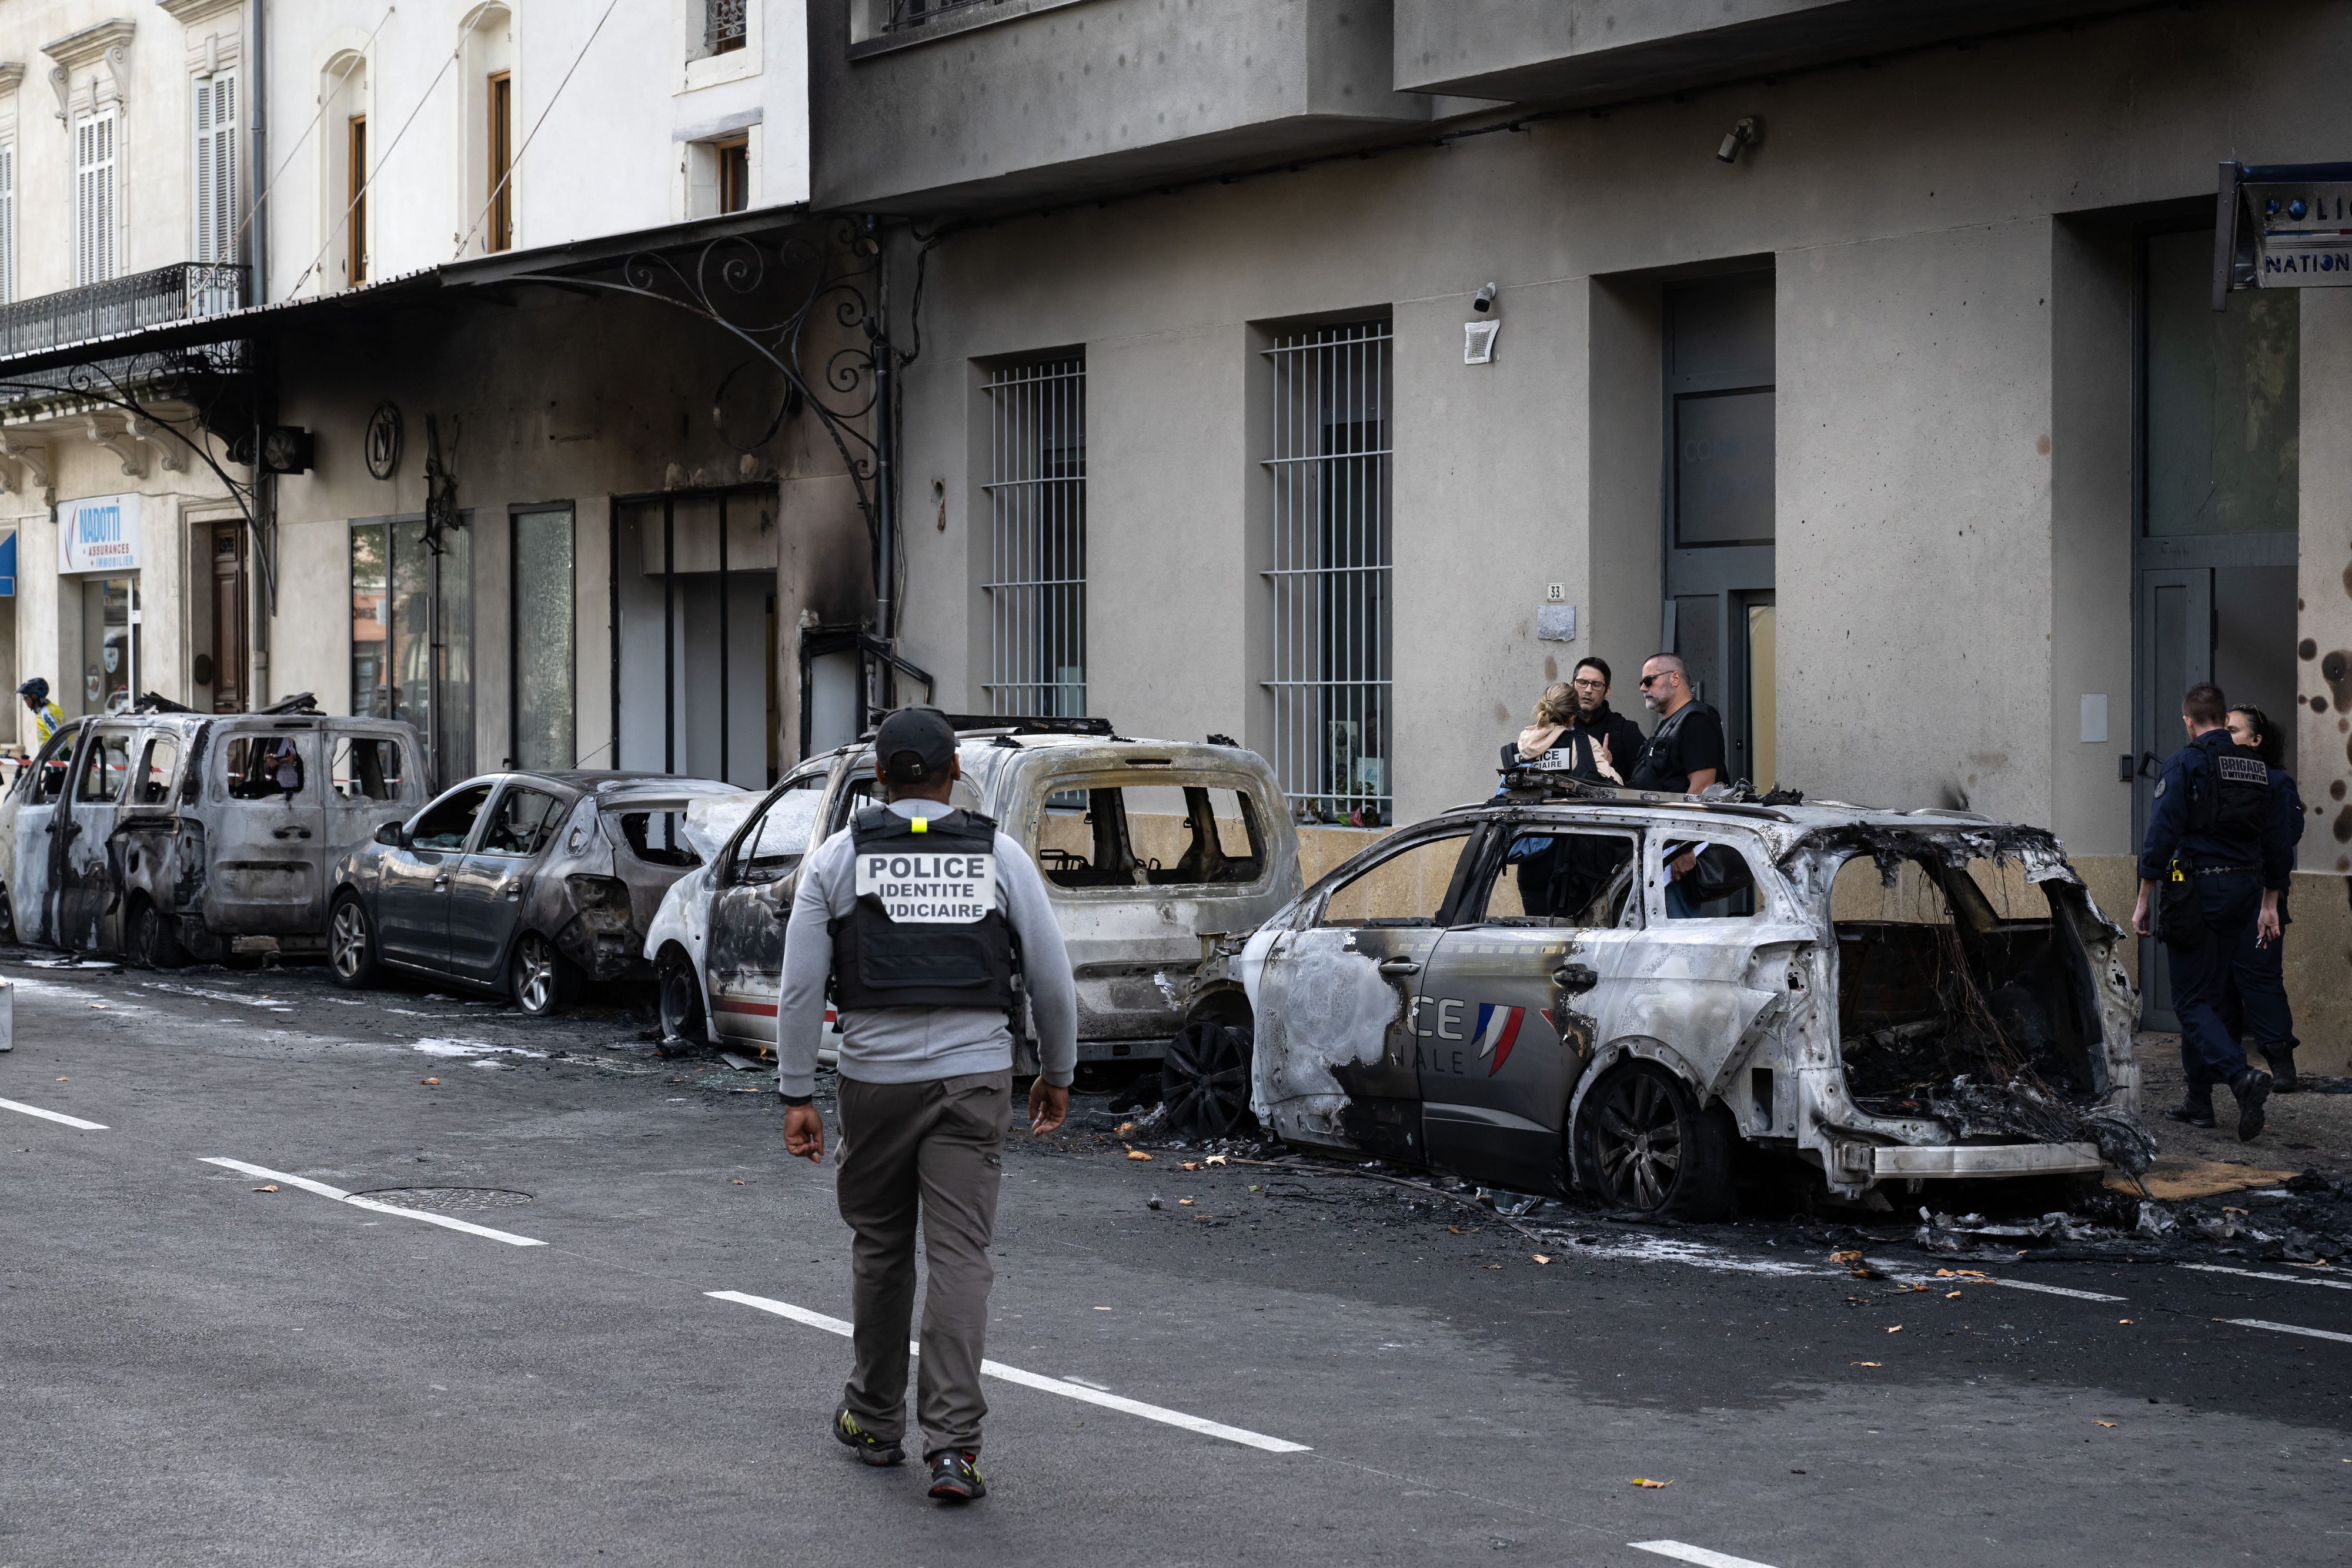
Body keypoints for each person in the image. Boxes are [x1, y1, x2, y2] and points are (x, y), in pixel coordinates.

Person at [776, 706, 1077, 1504]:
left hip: (874, 1078)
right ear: (955, 775)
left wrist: (796, 1089)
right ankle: (954, 1448)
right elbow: (1051, 978)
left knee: (881, 1246)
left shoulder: (838, 860)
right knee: (960, 1256)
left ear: (880, 777)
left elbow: (803, 985)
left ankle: (874, 1418)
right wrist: (1058, 1071)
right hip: (976, 1078)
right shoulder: (1000, 857)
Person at [2131, 683, 2278, 1140]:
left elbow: (2161, 835)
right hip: (2247, 888)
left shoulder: (2186, 762)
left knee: (2189, 999)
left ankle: (2240, 1076)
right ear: (2221, 716)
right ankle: (2199, 1101)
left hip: (2199, 890)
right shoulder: (2256, 767)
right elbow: (2275, 840)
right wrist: (2270, 902)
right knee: (2211, 995)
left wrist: (2143, 899)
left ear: (2189, 721)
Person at [2221, 703, 2304, 1090]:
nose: (2226, 736)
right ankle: (2224, 1066)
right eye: (2224, 729)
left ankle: (2281, 1063)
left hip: (2260, 894)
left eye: (2234, 730)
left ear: (2256, 740)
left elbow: (2286, 837)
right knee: (2220, 981)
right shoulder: (2212, 775)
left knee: (2260, 978)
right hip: (2222, 896)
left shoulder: (2276, 782)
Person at [1626, 654, 1727, 916]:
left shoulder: (1696, 719)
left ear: (1675, 678)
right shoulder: (1667, 723)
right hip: (1658, 847)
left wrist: (1684, 845)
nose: (1643, 688)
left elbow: (1703, 788)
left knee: (1676, 944)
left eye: (1649, 680)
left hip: (1676, 852)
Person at [1566, 657, 1648, 782]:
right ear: (1572, 686)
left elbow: (1644, 783)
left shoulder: (1627, 731)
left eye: (1596, 685)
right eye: (1582, 682)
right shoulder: (1559, 729)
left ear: (1607, 692)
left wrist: (1609, 769)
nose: (1588, 690)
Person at [17, 678, 64, 748]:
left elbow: (61, 740)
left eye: (26, 697)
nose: (24, 700)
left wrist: (44, 758)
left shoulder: (46, 713)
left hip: (56, 758)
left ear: (34, 697)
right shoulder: (50, 708)